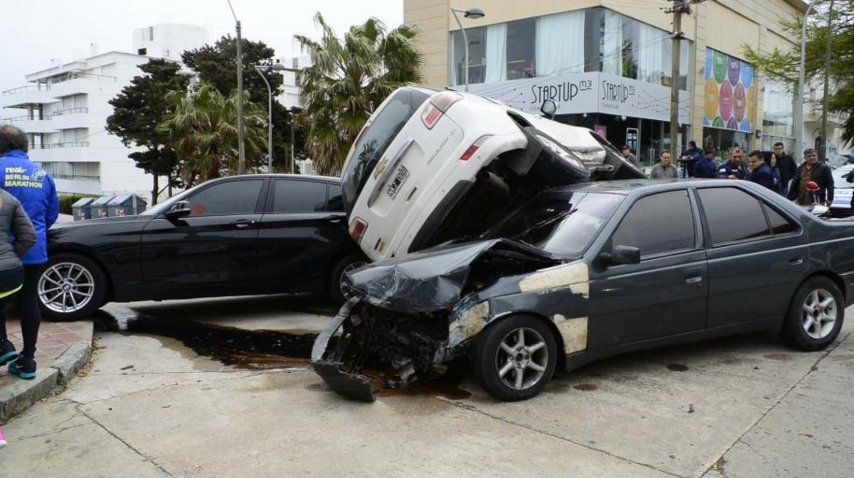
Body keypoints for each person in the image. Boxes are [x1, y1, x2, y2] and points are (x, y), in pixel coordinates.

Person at [0, 125, 59, 379]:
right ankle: (28, 360)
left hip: (4, 251)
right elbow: (51, 214)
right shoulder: (43, 174)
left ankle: (4, 346)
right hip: (34, 249)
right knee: (29, 300)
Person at [0, 188, 37, 375]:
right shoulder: (8, 198)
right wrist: (11, 257)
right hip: (11, 275)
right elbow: (29, 237)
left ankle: (4, 346)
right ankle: (5, 347)